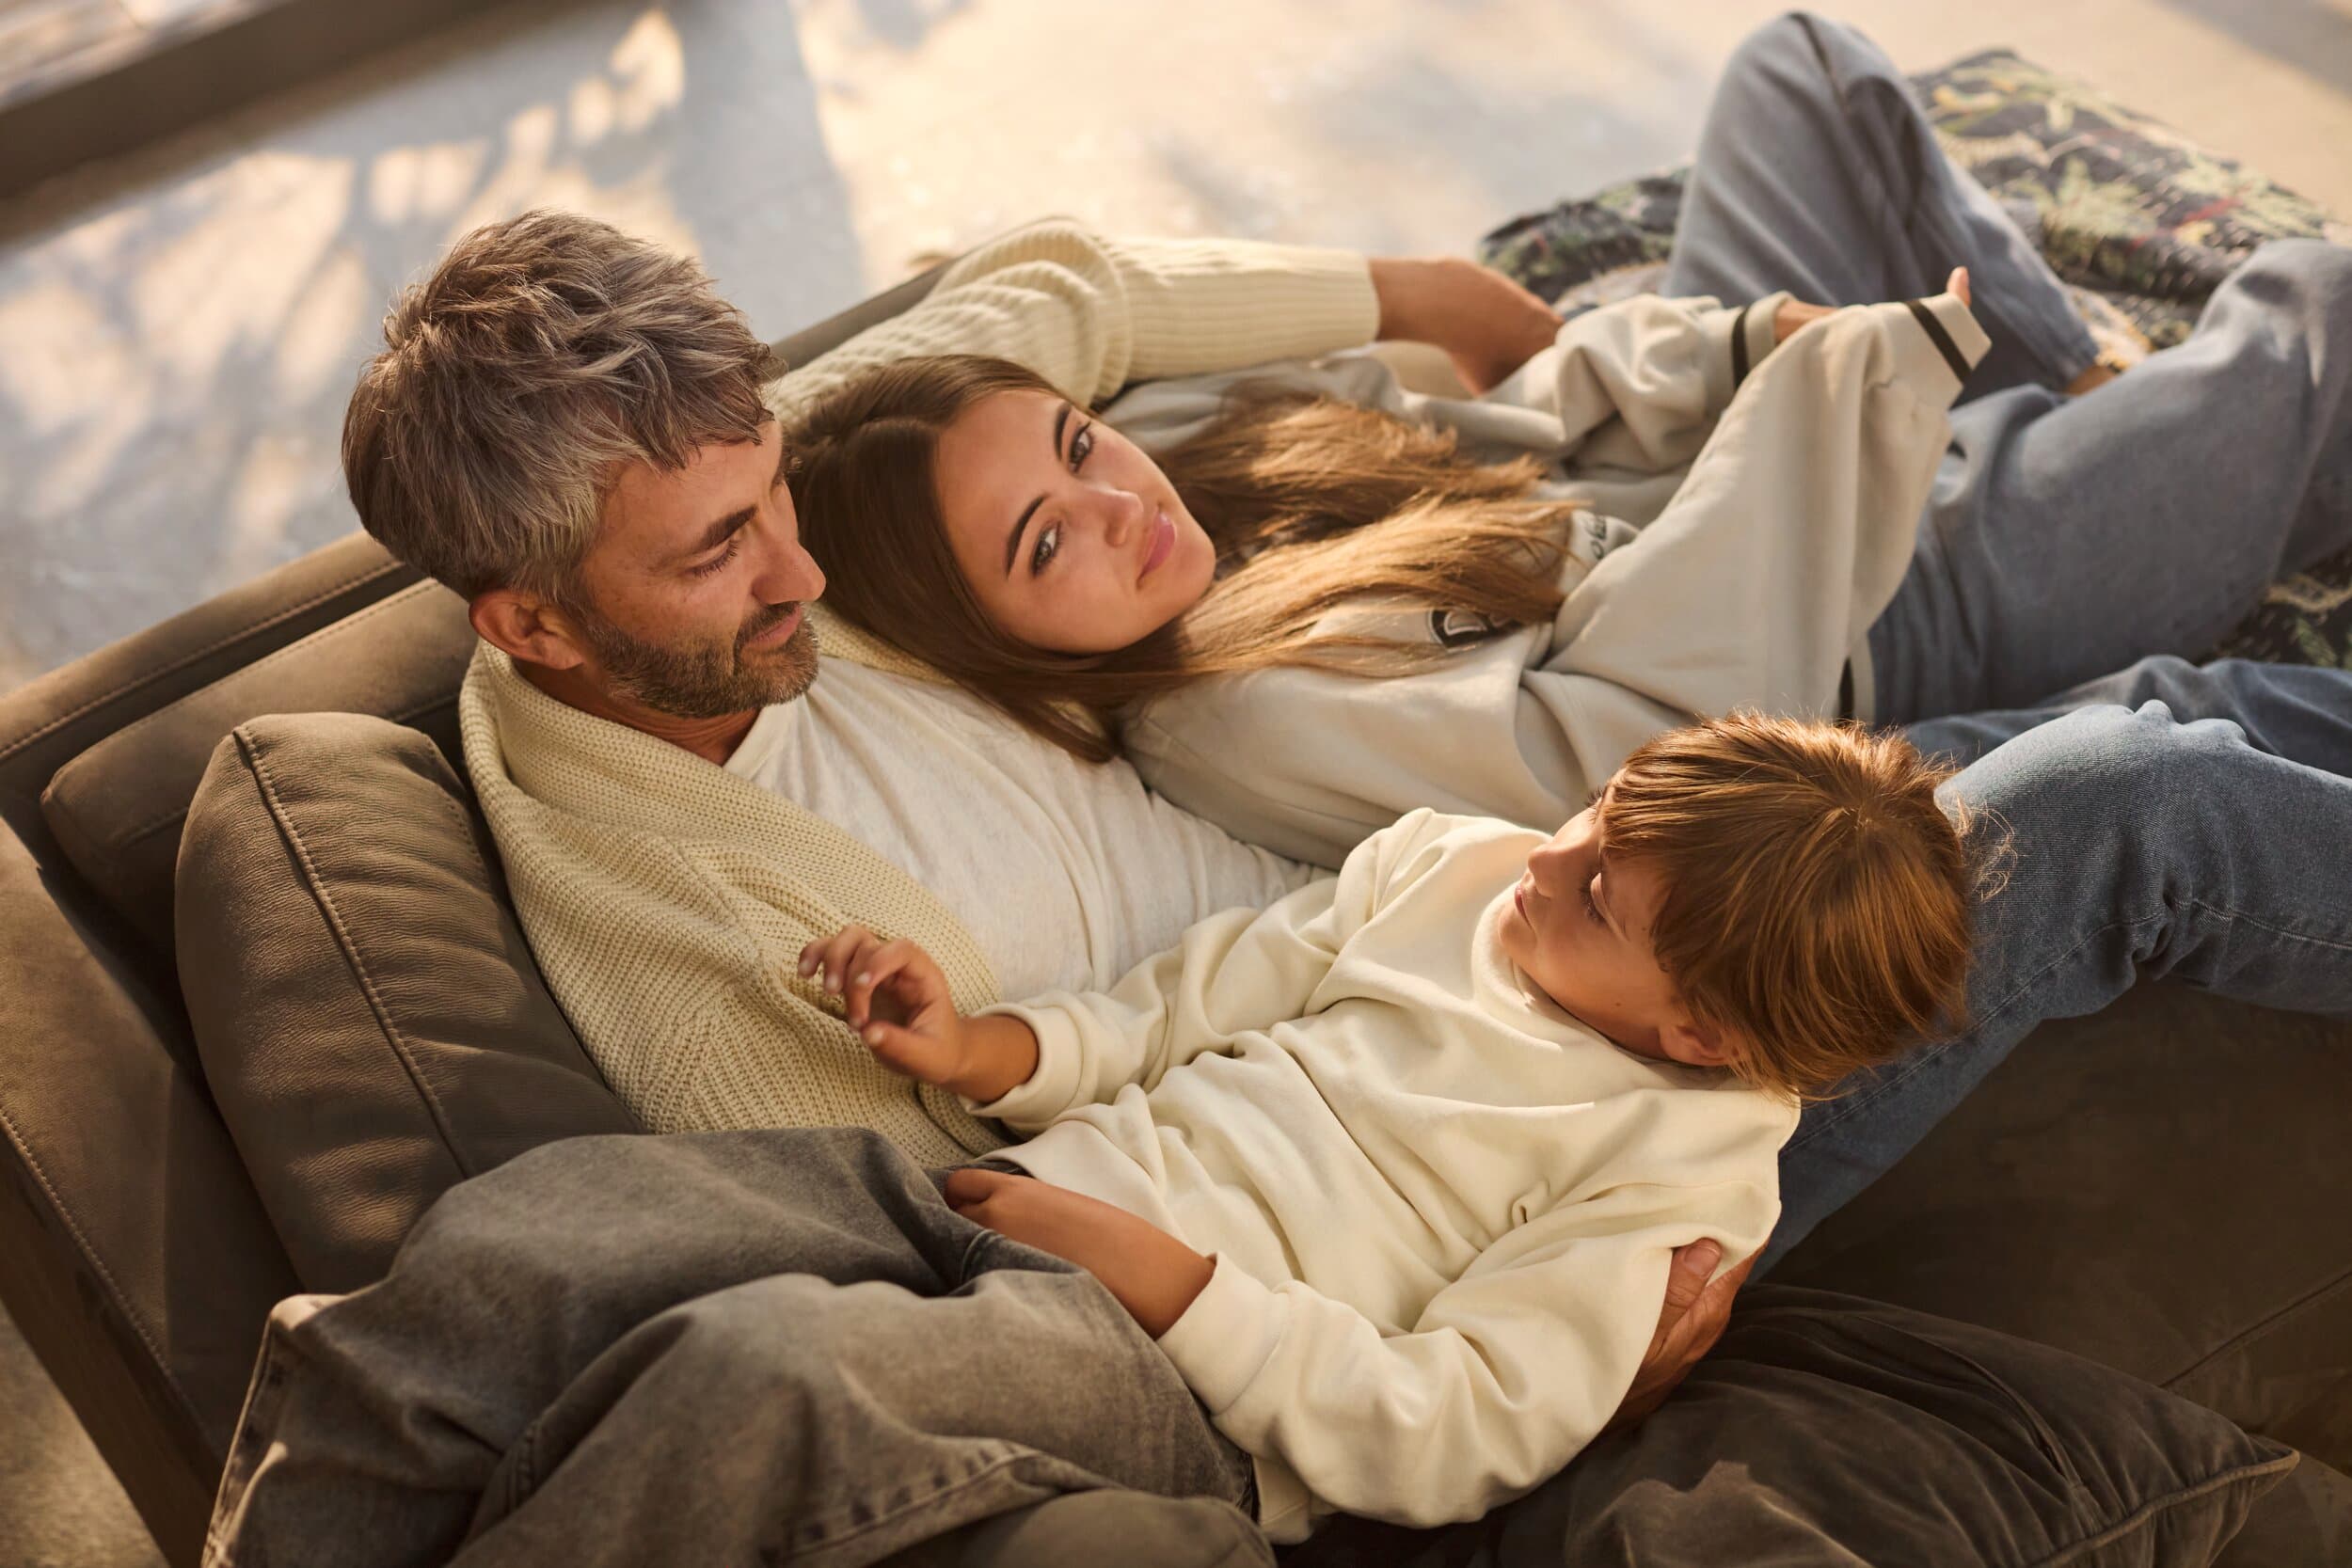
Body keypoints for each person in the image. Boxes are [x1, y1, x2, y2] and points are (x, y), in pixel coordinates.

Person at [797, 712, 1978, 1537]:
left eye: (1602, 899)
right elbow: (1168, 1012)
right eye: (1601, 809)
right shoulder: (1453, 866)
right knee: (706, 1217)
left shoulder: (1681, 1178)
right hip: (1010, 1194)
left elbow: (1457, 1425)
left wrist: (1170, 1286)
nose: (1551, 857)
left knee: (808, 1384)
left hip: (1190, 1391)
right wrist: (978, 1047)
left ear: (1702, 1034)